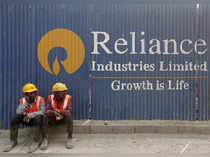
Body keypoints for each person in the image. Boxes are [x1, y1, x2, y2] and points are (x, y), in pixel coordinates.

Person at [3, 83, 47, 153]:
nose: (32, 95)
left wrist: (29, 115)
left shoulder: (40, 99)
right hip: (27, 120)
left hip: (37, 120)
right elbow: (18, 112)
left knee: (39, 117)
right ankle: (13, 141)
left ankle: (36, 141)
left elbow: (43, 111)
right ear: (26, 94)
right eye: (29, 93)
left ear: (36, 93)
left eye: (33, 93)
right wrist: (26, 103)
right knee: (15, 118)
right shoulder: (23, 101)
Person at [40, 82, 73, 150]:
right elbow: (47, 111)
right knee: (44, 117)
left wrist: (59, 111)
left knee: (69, 116)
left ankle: (69, 138)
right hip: (53, 119)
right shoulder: (50, 98)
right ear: (55, 93)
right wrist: (54, 113)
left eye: (64, 91)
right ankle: (45, 139)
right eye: (61, 92)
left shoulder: (68, 98)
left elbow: (69, 111)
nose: (63, 93)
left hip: (63, 118)